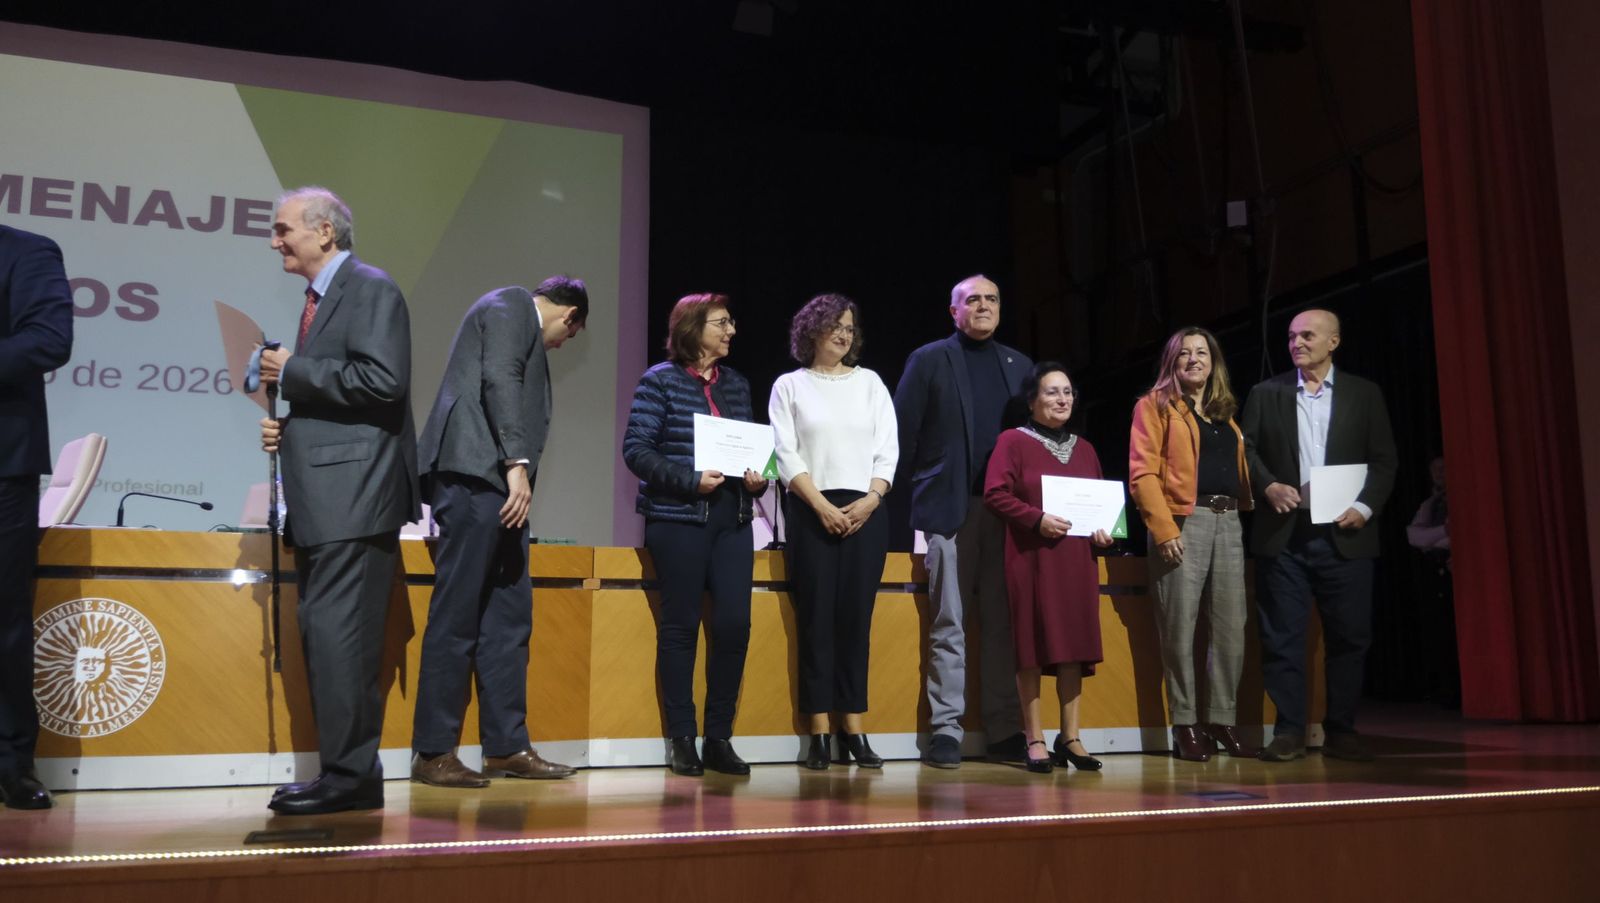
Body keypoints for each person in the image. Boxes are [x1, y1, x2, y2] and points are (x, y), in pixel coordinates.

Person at [258, 187, 421, 813]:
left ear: (325, 232)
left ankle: (351, 780)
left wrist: (291, 371)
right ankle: (347, 774)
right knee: (329, 639)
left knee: (342, 641)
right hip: (330, 499)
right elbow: (348, 399)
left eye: (283, 230)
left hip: (355, 498)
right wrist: (290, 427)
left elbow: (383, 382)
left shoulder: (370, 288)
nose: (275, 241)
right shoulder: (323, 298)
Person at [409, 277, 590, 788]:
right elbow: (500, 377)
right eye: (567, 335)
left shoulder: (515, 317)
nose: (559, 344)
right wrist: (516, 461)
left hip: (499, 488)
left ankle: (507, 745)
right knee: (458, 613)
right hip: (477, 476)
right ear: (569, 316)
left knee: (509, 619)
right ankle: (433, 751)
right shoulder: (512, 303)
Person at [622, 293, 769, 776]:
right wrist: (690, 478)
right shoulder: (659, 381)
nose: (731, 331)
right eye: (721, 323)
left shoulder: (738, 385)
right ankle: (682, 737)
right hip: (678, 519)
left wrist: (758, 479)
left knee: (733, 627)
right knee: (681, 627)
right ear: (692, 328)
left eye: (731, 322)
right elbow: (637, 450)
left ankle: (719, 737)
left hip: (733, 519)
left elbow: (752, 451)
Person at [1241, 308, 1397, 762]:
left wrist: (1364, 508)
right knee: (1282, 637)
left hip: (1346, 534)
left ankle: (1342, 728)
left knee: (1350, 637)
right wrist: (1267, 484)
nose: (1297, 343)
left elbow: (1385, 461)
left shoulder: (1364, 394)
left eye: (1307, 335)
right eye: (1291, 336)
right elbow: (1245, 450)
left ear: (1334, 341)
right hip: (1284, 535)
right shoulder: (1265, 393)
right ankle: (1289, 730)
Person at [894, 274, 1032, 768]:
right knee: (948, 621)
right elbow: (901, 436)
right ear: (953, 311)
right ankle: (946, 731)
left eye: (992, 299)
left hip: (1009, 513)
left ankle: (1004, 730)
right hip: (950, 511)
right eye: (972, 299)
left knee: (1003, 624)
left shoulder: (1020, 367)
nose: (983, 306)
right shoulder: (930, 359)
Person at [769, 294, 898, 770]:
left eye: (849, 327)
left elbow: (888, 449)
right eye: (834, 326)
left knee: (855, 623)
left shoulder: (871, 384)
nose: (844, 334)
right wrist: (822, 506)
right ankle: (820, 731)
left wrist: (870, 499)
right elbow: (785, 454)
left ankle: (854, 728)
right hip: (811, 508)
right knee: (816, 620)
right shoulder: (790, 386)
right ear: (811, 332)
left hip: (866, 510)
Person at [1128, 327, 1256, 762]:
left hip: (1229, 521)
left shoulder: (1224, 413)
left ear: (1214, 361)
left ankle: (1221, 718)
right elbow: (1142, 474)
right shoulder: (1155, 406)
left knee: (1231, 627)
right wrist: (1164, 529)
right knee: (1179, 628)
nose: (1194, 359)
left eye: (1203, 353)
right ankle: (1185, 723)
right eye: (1185, 353)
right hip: (1184, 521)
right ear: (1172, 362)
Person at [984, 363, 1113, 773]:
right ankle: (1034, 736)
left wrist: (1104, 532)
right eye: (1052, 392)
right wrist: (1036, 519)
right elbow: (994, 494)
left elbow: (1100, 506)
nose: (1062, 400)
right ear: (1032, 400)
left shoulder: (1087, 448)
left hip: (1077, 559)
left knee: (1073, 645)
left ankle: (1070, 736)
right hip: (1031, 556)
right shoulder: (1013, 441)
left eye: (1068, 393)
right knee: (1033, 645)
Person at [0, 225, 73, 811]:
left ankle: (11, 761)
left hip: (1, 466)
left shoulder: (26, 252)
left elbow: (48, 339)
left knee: (3, 618)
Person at [1406, 455, 1458, 708]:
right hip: (1436, 571)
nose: (1438, 473)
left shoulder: (1460, 499)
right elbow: (1414, 536)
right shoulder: (1431, 503)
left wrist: (1439, 538)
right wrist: (1443, 533)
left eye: (1442, 468)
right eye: (1434, 469)